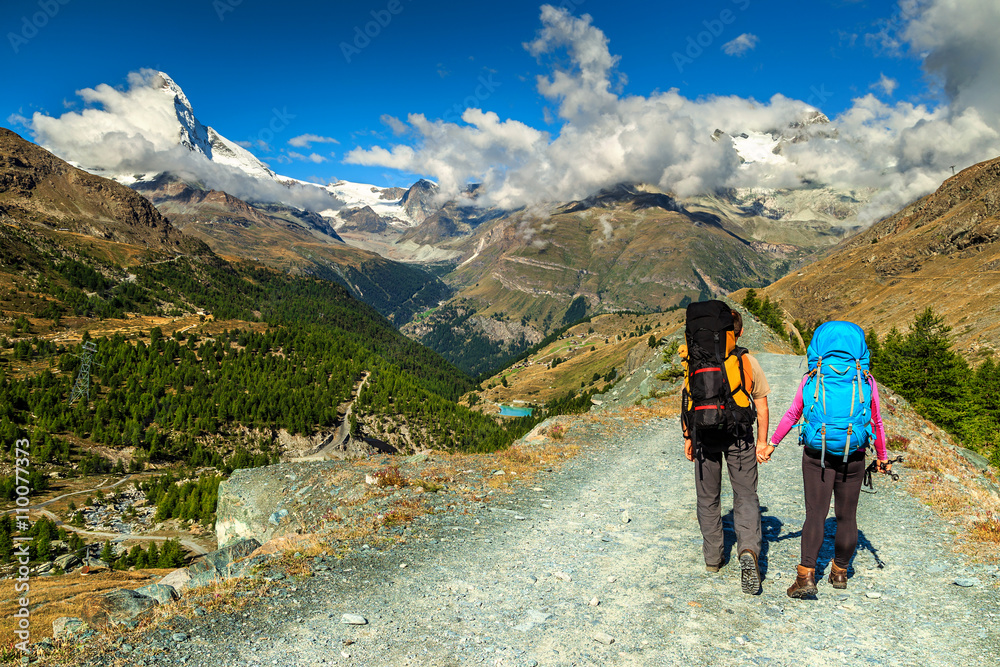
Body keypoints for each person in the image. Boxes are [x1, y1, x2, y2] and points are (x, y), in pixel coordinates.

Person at [770, 321, 891, 598]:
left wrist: (772, 444)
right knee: (847, 517)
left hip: (817, 456)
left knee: (816, 514)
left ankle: (806, 577)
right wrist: (882, 458)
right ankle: (839, 571)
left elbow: (792, 414)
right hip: (855, 455)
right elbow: (878, 422)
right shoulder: (866, 381)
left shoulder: (812, 378)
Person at [683, 309, 772, 595]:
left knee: (708, 496)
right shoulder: (746, 361)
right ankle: (748, 550)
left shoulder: (697, 360)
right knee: (745, 494)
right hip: (740, 435)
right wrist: (762, 441)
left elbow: (687, 398)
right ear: (738, 333)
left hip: (704, 433)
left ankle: (713, 558)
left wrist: (687, 437)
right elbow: (761, 405)